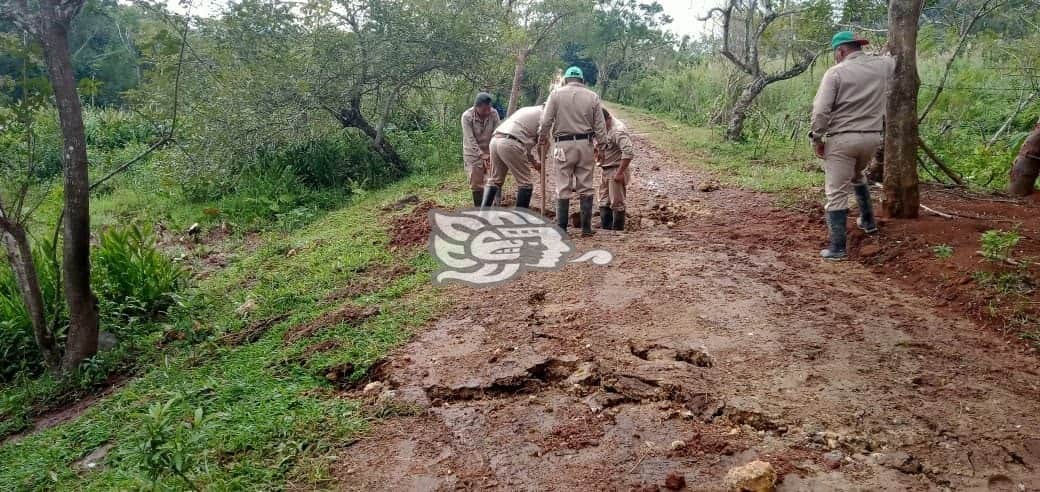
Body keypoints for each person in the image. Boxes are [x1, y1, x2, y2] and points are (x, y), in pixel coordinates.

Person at [810, 31, 895, 261]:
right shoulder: (882, 66)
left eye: (835, 54)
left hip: (842, 140)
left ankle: (837, 248)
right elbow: (891, 57)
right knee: (857, 175)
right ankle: (868, 221)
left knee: (836, 192)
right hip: (871, 138)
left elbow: (821, 111)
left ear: (841, 51)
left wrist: (817, 138)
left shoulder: (835, 73)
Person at [537, 66, 607, 237]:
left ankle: (561, 229)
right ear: (582, 80)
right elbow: (600, 125)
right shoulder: (593, 96)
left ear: (566, 80)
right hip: (585, 144)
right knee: (586, 186)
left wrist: (542, 137)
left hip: (563, 145)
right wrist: (602, 145)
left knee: (563, 186)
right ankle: (586, 228)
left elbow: (546, 120)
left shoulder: (555, 95)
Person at [482, 105, 543, 209]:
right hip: (511, 143)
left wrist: (534, 162)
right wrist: (542, 159)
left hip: (495, 140)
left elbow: (523, 146)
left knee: (494, 181)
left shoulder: (527, 110)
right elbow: (542, 141)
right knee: (525, 183)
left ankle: (482, 216)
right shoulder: (546, 115)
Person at [597, 109, 634, 230]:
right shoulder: (604, 127)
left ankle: (617, 231)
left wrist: (620, 172)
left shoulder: (618, 131)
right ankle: (606, 229)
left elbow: (628, 152)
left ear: (607, 119)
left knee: (617, 203)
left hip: (615, 169)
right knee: (603, 201)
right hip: (606, 169)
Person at [461, 92, 501, 207]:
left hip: (490, 150)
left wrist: (493, 152)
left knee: (495, 179)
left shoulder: (494, 113)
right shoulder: (466, 117)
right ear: (476, 107)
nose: (487, 112)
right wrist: (481, 154)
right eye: (484, 110)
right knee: (476, 183)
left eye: (489, 108)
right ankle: (479, 210)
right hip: (472, 153)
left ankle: (496, 206)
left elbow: (497, 132)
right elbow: (470, 139)